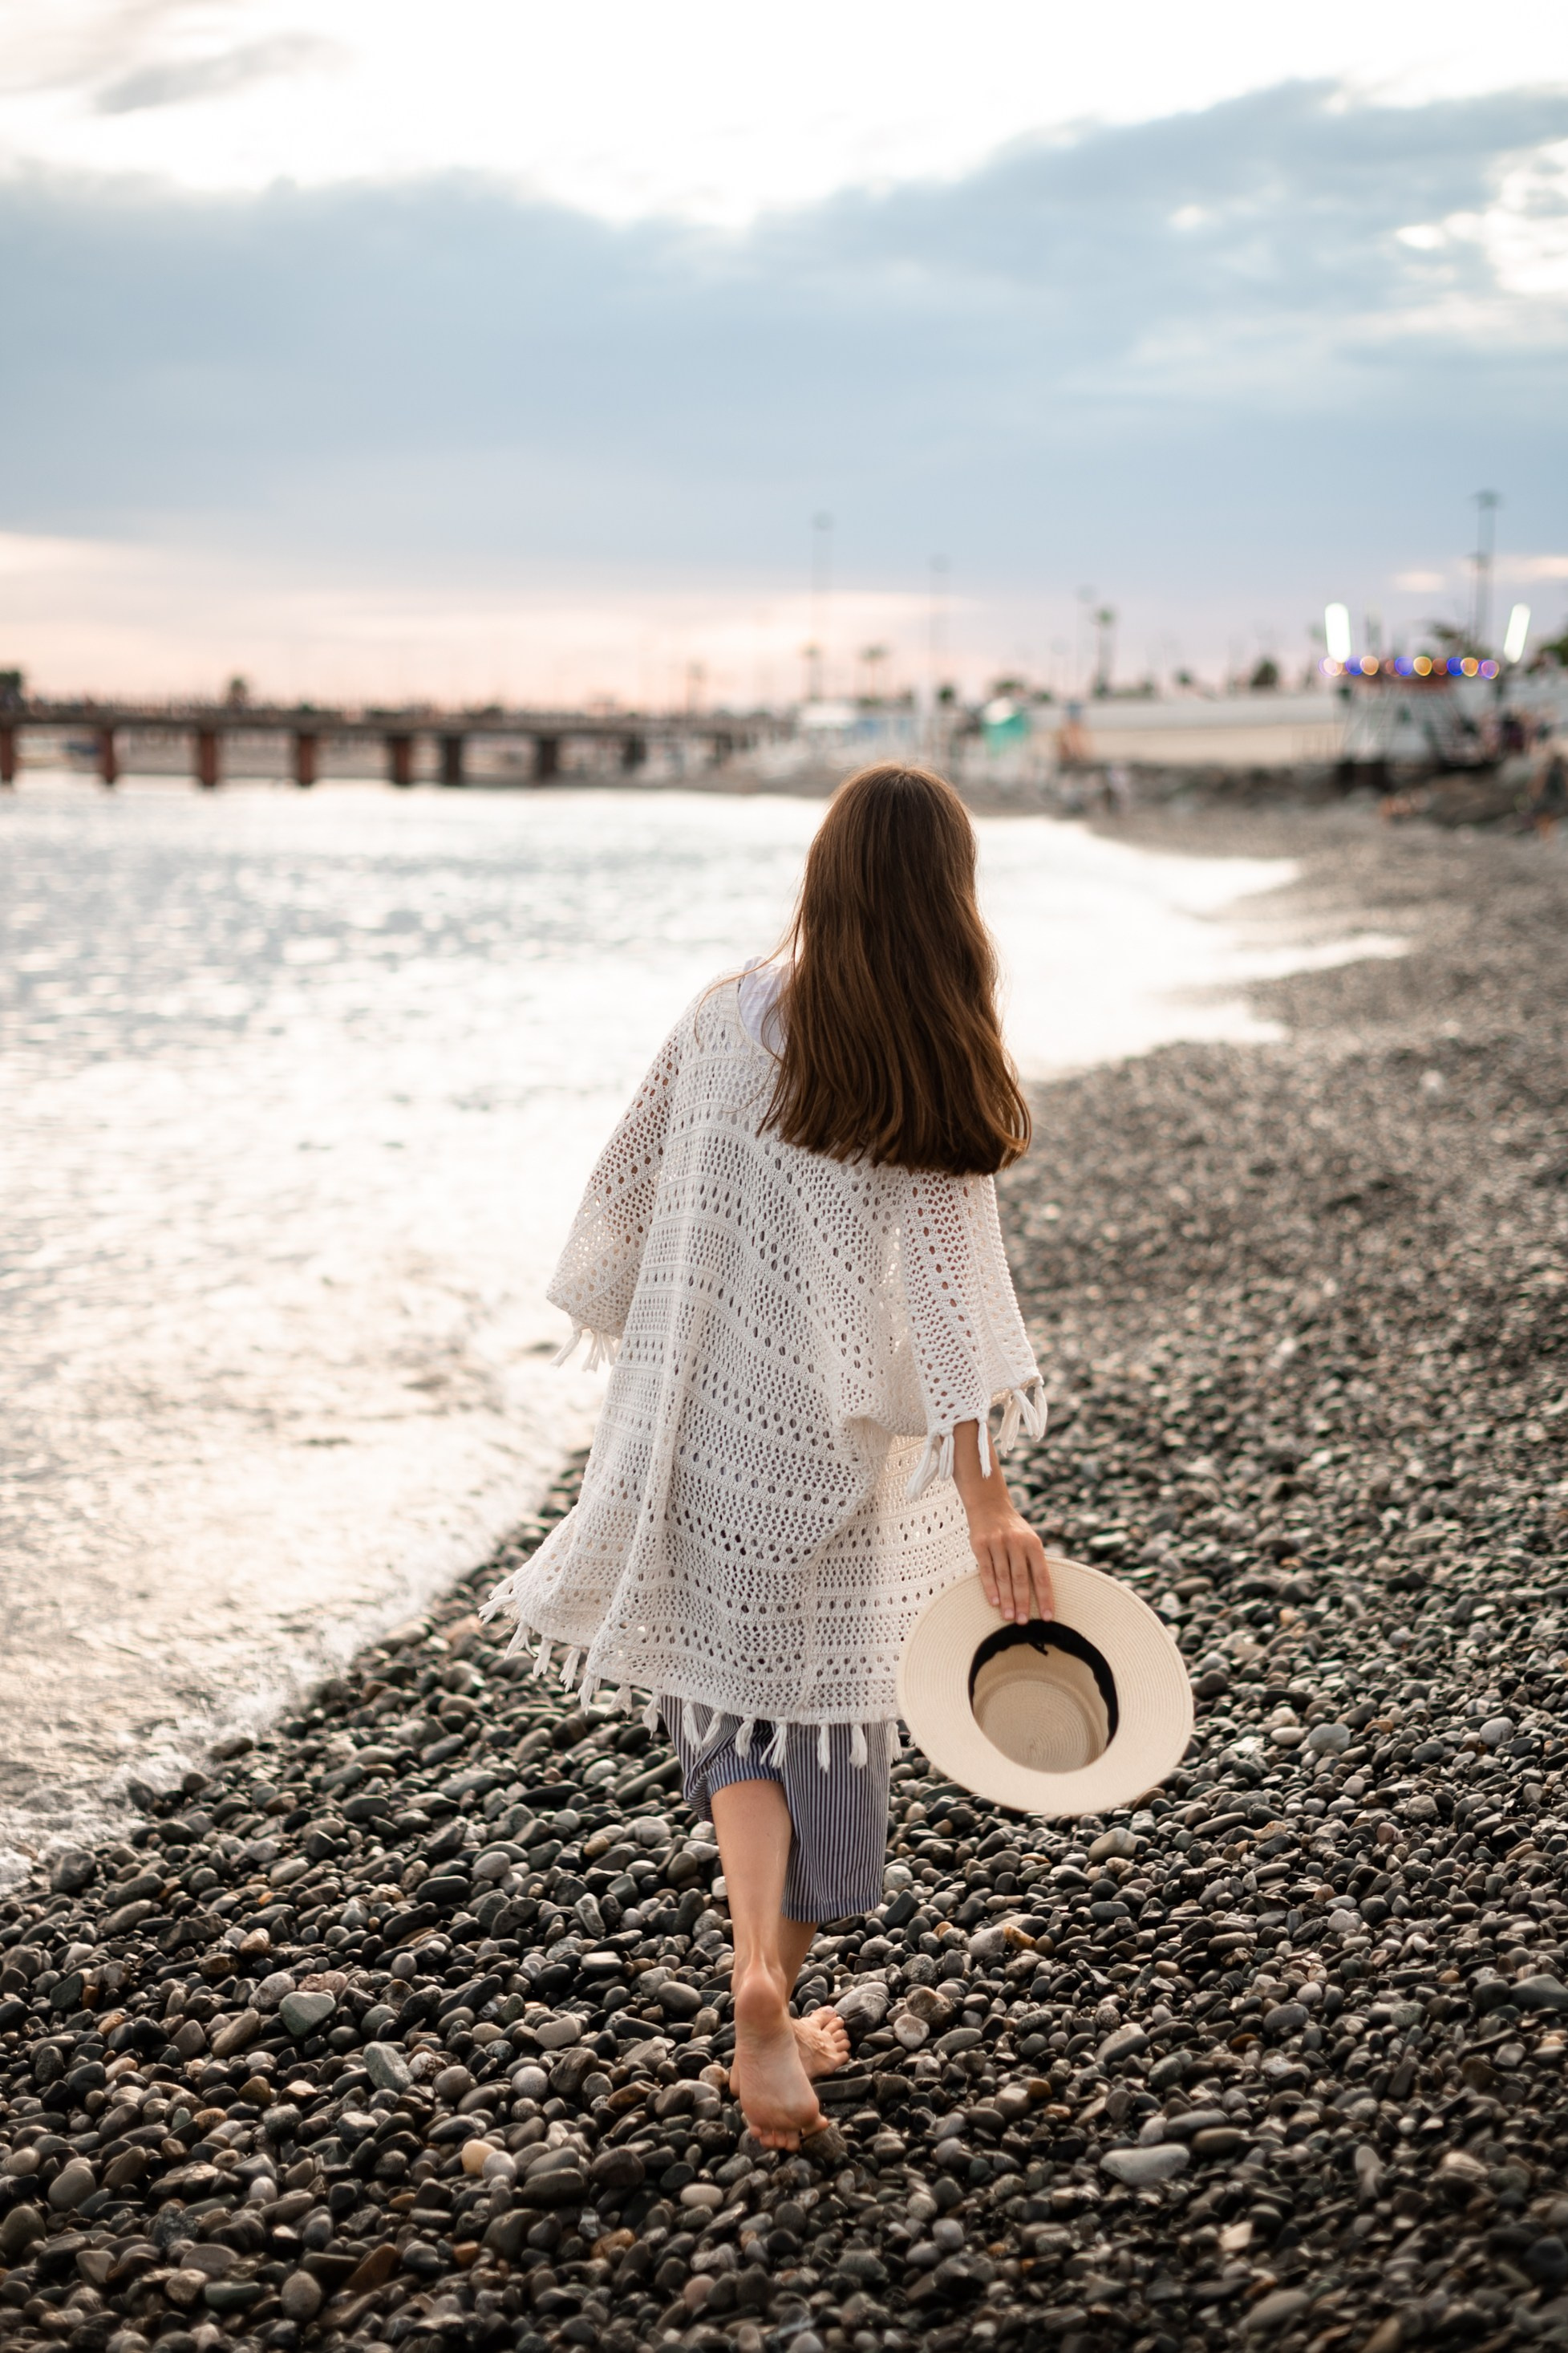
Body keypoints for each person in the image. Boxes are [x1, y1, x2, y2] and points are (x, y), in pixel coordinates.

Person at [484, 764, 1051, 2148]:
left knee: (733, 1718)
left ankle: (751, 1980)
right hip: (834, 1463)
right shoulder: (929, 1054)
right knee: (823, 1729)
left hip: (696, 1430)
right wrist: (986, 1499)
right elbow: (953, 1305)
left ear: (826, 872)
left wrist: (653, 1346)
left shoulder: (723, 1015)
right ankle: (772, 2006)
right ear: (948, 898)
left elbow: (625, 1193)